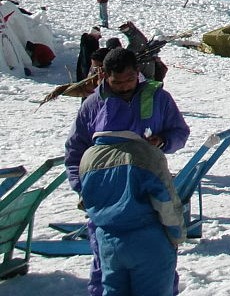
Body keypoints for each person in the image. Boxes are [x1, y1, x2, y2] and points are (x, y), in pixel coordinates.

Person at [65, 47, 190, 296]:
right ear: (104, 76)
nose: (124, 87)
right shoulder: (93, 104)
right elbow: (75, 149)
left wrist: (163, 141)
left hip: (146, 200)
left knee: (156, 275)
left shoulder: (158, 99)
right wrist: (84, 189)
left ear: (138, 74)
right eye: (116, 82)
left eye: (129, 80)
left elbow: (179, 132)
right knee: (105, 273)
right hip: (105, 204)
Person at [78, 128, 185, 296]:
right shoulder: (146, 154)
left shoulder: (88, 157)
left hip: (109, 242)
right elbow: (165, 201)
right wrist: (176, 234)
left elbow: (85, 200)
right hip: (148, 241)